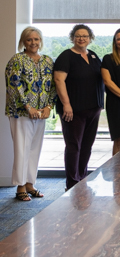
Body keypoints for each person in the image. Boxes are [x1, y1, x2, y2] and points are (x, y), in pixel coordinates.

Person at [5, 26, 56, 201]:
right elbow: (14, 86)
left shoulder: (48, 61)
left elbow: (53, 86)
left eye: (36, 39)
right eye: (29, 39)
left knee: (35, 149)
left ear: (40, 41)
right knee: (22, 148)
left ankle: (30, 184)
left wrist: (49, 106)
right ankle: (20, 187)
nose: (33, 42)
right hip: (21, 112)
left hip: (41, 113)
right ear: (23, 42)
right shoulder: (17, 60)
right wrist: (29, 107)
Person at [54, 24, 104, 190]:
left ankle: (82, 178)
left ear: (90, 38)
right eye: (78, 35)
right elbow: (59, 80)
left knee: (87, 146)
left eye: (85, 36)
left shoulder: (94, 56)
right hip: (73, 111)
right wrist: (66, 104)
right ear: (72, 38)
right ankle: (72, 183)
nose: (81, 38)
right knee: (74, 146)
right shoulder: (66, 56)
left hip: (93, 109)